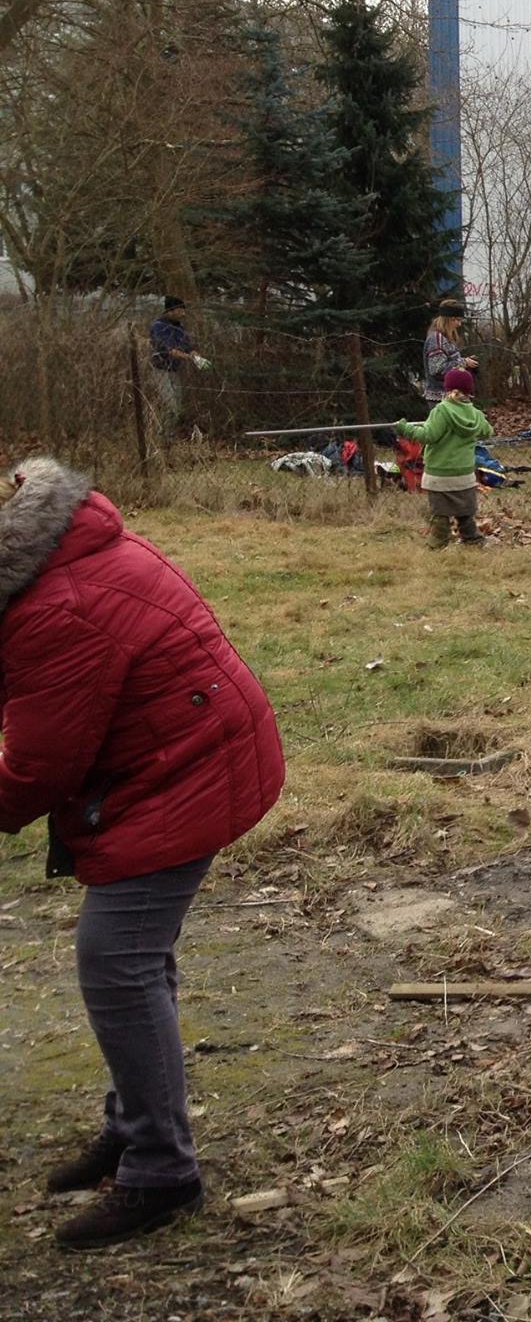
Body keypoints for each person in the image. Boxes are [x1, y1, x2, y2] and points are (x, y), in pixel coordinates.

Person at [0, 457, 284, 1250]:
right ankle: (135, 1124)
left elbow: (37, 767)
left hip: (187, 769)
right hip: (184, 749)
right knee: (132, 955)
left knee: (116, 957)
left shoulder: (58, 604)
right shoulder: (57, 550)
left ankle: (162, 1170)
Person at [395, 368, 492, 548]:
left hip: (439, 475)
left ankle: (438, 544)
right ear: (469, 391)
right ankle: (472, 540)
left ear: (447, 388)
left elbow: (428, 435)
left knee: (440, 513)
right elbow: (487, 431)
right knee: (465, 512)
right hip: (464, 475)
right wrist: (479, 419)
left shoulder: (442, 410)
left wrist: (405, 429)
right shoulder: (475, 413)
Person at [146, 299, 209, 440]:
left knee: (178, 405)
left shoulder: (179, 327)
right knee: (170, 405)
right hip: (160, 370)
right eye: (180, 310)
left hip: (174, 371)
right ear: (171, 310)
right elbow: (167, 350)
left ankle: (170, 435)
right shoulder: (159, 327)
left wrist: (196, 356)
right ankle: (162, 437)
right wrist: (189, 358)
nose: (183, 313)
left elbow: (188, 346)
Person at [422, 298, 479, 405]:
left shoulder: (446, 338)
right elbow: (436, 369)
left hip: (451, 397)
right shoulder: (436, 339)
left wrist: (465, 361)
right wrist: (463, 362)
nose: (459, 324)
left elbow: (449, 361)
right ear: (449, 319)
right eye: (457, 320)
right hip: (441, 399)